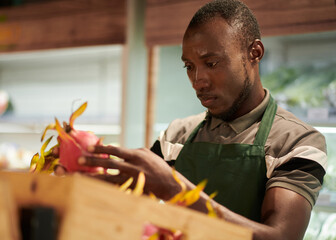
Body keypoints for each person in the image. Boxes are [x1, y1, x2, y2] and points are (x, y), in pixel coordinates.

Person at [70, 0, 327, 239]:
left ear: (254, 53)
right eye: (189, 66)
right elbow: (127, 211)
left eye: (211, 63)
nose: (198, 81)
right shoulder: (175, 137)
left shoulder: (297, 142)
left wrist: (177, 190)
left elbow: (281, 236)